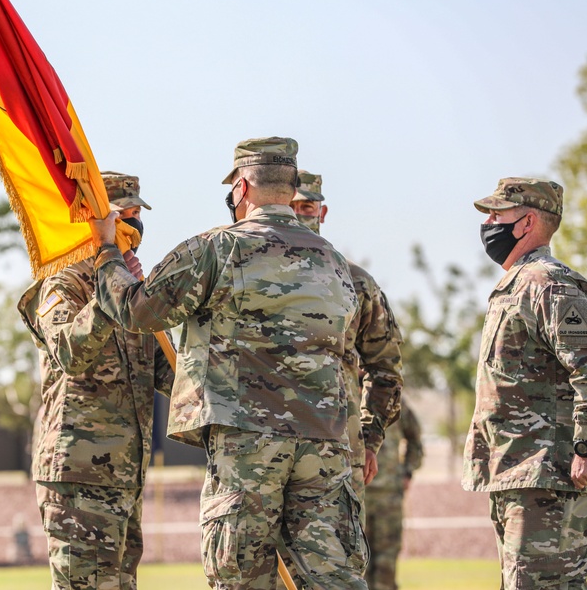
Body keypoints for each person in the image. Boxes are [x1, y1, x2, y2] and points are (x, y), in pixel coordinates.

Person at [90, 137, 368, 590]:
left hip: (248, 442)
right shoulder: (334, 261)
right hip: (325, 443)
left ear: (241, 188)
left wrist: (106, 251)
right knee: (333, 578)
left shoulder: (217, 248)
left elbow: (138, 312)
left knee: (241, 578)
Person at [462, 177, 587, 590]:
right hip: (520, 471)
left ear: (527, 222)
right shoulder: (516, 284)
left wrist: (586, 445)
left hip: (548, 472)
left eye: (498, 214)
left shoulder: (547, 284)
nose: (489, 223)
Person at [17, 171, 174, 590]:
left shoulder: (130, 291)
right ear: (96, 222)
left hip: (124, 474)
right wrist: (111, 292)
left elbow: (170, 374)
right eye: (125, 216)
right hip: (79, 473)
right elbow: (70, 351)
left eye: (138, 216)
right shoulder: (60, 283)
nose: (135, 227)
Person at [290, 171, 403, 498]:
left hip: (334, 454)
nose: (299, 215)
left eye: (308, 207)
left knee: (339, 549)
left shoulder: (355, 282)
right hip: (263, 455)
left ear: (322, 213)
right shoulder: (244, 273)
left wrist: (369, 439)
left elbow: (387, 369)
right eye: (291, 207)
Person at [364, 398, 423, 590]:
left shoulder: (392, 400)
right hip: (356, 497)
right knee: (355, 564)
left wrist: (407, 471)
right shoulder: (345, 393)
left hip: (388, 497)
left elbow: (415, 439)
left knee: (386, 566)